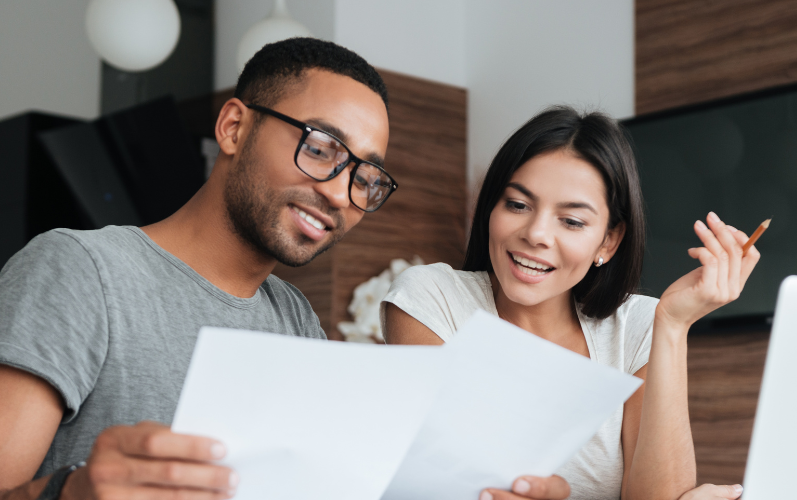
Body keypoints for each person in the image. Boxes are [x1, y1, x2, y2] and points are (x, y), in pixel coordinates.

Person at [0, 39, 565, 500]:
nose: (343, 195)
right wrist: (69, 493)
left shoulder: (293, 316)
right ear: (233, 128)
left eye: (366, 179)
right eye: (321, 148)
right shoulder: (78, 270)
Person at [383, 107, 760, 500]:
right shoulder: (432, 298)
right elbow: (442, 491)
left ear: (609, 242)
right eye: (517, 205)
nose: (537, 234)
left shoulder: (638, 326)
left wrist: (674, 325)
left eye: (572, 221)